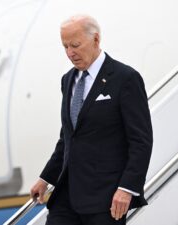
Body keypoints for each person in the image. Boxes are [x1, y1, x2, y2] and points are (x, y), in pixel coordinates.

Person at [30, 14, 153, 225]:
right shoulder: (68, 80)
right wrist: (46, 178)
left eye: (75, 45)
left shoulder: (125, 78)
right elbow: (68, 137)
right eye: (65, 47)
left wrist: (126, 188)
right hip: (67, 195)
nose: (70, 53)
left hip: (105, 197)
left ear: (96, 39)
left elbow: (141, 140)